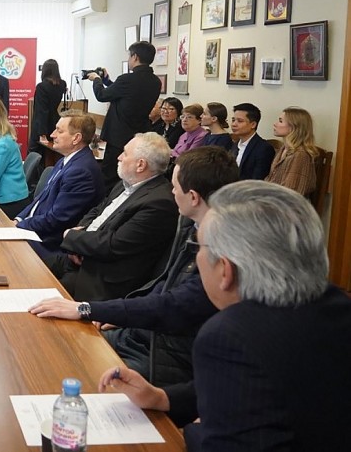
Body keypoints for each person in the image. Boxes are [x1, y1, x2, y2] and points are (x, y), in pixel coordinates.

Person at [98, 181, 351, 451]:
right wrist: (163, 398)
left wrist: (195, 429)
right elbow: (256, 385)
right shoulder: (335, 304)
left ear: (226, 271)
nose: (197, 261)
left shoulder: (229, 335)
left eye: (201, 248)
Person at [31, 146, 238, 387]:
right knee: (56, 343)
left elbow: (174, 304)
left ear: (193, 197)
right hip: (143, 330)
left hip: (164, 350)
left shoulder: (217, 245)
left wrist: (89, 309)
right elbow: (164, 282)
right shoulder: (189, 224)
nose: (171, 191)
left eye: (175, 186)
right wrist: (120, 316)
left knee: (71, 365)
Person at [58, 132, 178, 301]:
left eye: (125, 153)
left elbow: (113, 245)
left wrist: (72, 236)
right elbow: (97, 211)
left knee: (35, 295)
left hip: (102, 279)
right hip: (81, 257)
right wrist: (76, 240)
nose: (119, 157)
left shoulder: (159, 203)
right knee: (29, 268)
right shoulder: (126, 183)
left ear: (140, 165)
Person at [15, 110, 105, 261]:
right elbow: (39, 200)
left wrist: (21, 226)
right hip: (35, 230)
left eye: (59, 130)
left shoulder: (81, 172)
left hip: (49, 243)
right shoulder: (66, 160)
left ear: (76, 138)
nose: (52, 134)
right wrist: (18, 220)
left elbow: (56, 219)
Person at [88, 42, 161, 189]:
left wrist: (96, 79)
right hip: (138, 136)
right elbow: (126, 94)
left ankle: (105, 208)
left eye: (129, 56)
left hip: (117, 137)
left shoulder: (127, 79)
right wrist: (107, 81)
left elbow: (102, 95)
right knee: (129, 177)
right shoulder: (155, 82)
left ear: (135, 57)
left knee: (109, 177)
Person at [265, 106, 318, 196]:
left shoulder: (300, 155)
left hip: (287, 206)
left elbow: (291, 192)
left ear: (294, 127)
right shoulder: (283, 149)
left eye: (280, 121)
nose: (275, 124)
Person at [29, 59, 67, 157]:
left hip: (41, 126)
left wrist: (42, 134)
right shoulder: (62, 84)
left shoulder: (42, 87)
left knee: (36, 154)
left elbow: (41, 111)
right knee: (52, 155)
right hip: (54, 122)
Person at [229, 102, 274, 180]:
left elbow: (258, 179)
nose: (234, 124)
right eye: (233, 120)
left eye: (240, 121)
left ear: (253, 124)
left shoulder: (264, 148)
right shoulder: (235, 145)